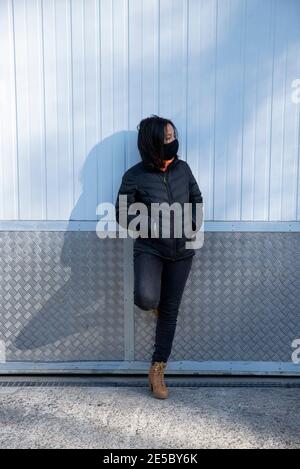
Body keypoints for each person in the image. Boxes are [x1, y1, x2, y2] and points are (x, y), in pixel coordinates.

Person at [115, 115, 203, 399]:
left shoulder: (184, 169)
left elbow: (196, 199)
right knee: (146, 298)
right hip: (150, 248)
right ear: (152, 142)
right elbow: (121, 212)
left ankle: (157, 369)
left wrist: (191, 226)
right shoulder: (135, 176)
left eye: (173, 136)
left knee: (170, 311)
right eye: (166, 138)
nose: (172, 141)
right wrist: (151, 226)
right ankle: (155, 304)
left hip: (182, 251)